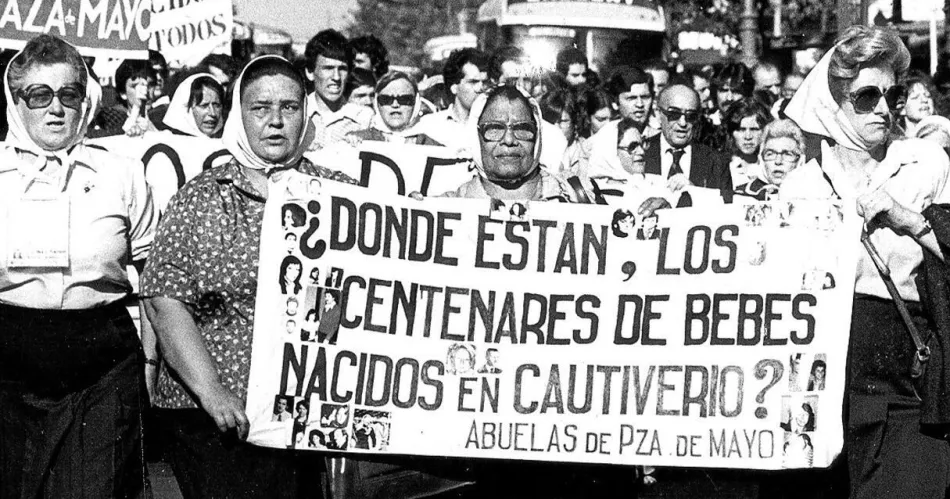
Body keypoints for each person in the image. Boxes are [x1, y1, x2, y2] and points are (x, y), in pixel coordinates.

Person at [141, 55, 358, 499]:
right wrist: (213, 393)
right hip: (214, 417)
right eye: (260, 108)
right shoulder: (201, 198)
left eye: (289, 107)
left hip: (305, 416)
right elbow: (165, 301)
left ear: (305, 113)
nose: (275, 121)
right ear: (239, 115)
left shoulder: (340, 196)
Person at [782, 25, 950, 498]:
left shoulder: (926, 163)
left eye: (892, 95)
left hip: (908, 370)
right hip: (826, 380)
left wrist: (911, 221)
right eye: (866, 96)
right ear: (832, 102)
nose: (883, 108)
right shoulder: (801, 186)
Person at [0, 34, 157, 498]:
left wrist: (150, 363)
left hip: (101, 360)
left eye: (69, 94)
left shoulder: (122, 173)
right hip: (10, 356)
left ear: (85, 101)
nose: (56, 109)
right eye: (39, 95)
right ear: (16, 102)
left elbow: (153, 276)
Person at [642, 84, 734, 206]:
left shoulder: (716, 162)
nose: (683, 123)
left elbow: (727, 208)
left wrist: (695, 193)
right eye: (674, 114)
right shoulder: (641, 152)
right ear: (659, 114)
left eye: (691, 116)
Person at [304, 29, 373, 149]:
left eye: (342, 69)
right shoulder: (298, 114)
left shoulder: (364, 117)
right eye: (328, 68)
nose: (336, 77)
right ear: (310, 72)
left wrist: (369, 136)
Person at [417, 48, 489, 150]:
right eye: (473, 82)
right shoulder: (430, 124)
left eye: (485, 82)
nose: (481, 88)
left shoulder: (493, 126)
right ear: (454, 87)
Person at [347, 72, 443, 145]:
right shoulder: (359, 138)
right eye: (386, 99)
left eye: (404, 99)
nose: (395, 105)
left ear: (416, 102)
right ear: (376, 103)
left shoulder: (433, 146)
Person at [735, 119, 804, 201]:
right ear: (761, 159)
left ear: (800, 161)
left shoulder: (812, 195)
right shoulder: (739, 195)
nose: (778, 161)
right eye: (770, 154)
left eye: (787, 154)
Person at [89, 58, 156, 137]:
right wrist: (125, 129)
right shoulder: (111, 121)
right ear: (123, 93)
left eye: (150, 85)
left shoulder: (163, 116)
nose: (145, 92)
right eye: (135, 86)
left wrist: (154, 131)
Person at [723, 98, 772, 188]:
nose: (748, 136)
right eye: (741, 130)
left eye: (754, 129)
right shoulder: (723, 166)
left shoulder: (773, 165)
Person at [162, 72, 225, 138]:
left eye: (217, 105)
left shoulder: (225, 141)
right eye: (204, 106)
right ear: (186, 108)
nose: (213, 113)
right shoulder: (167, 141)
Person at [897, 72, 937, 138]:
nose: (924, 100)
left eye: (928, 96)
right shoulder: (896, 141)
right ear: (902, 109)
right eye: (915, 97)